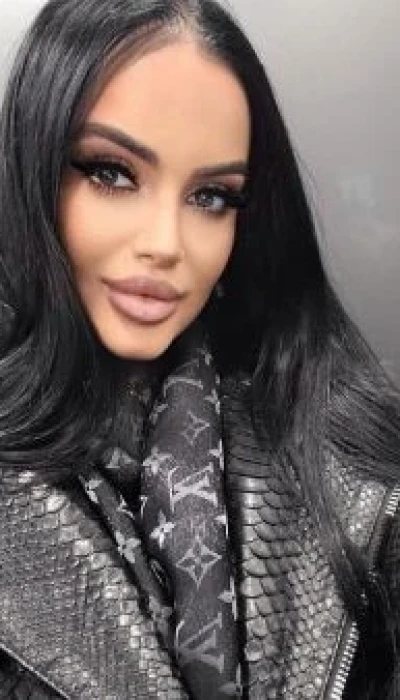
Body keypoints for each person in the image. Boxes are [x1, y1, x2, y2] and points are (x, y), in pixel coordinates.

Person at [0, 0, 399, 698]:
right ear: (33, 170)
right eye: (111, 172)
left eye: (212, 196)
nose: (166, 243)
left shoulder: (347, 459)